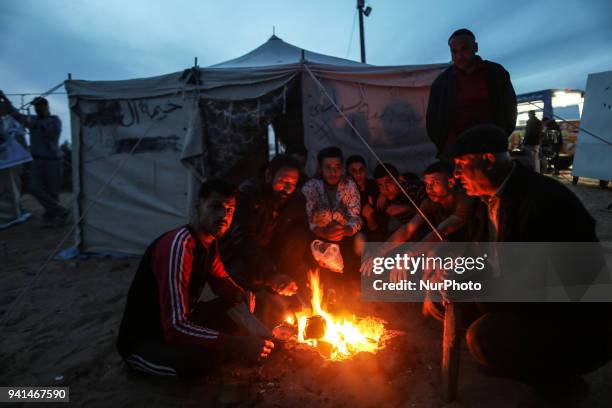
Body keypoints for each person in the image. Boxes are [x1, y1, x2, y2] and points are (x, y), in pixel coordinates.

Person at [445, 124, 612, 385]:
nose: (455, 175)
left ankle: (558, 376)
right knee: (442, 297)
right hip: (521, 300)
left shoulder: (542, 201)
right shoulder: (487, 201)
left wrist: (472, 284)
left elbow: (532, 290)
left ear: (487, 160)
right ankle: (514, 355)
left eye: (460, 164)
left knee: (483, 336)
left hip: (570, 321)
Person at [117, 179, 274, 378]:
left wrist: (240, 294)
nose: (223, 215)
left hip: (187, 318)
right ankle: (142, 362)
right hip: (151, 335)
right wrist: (237, 344)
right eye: (216, 207)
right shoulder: (179, 246)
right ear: (199, 205)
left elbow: (221, 280)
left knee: (247, 305)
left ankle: (231, 346)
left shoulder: (209, 242)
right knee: (201, 362)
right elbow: (175, 326)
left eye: (230, 209)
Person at [220, 155, 307, 323]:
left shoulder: (296, 199)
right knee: (246, 274)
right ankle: (249, 309)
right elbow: (243, 239)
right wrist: (270, 274)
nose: (287, 188)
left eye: (293, 183)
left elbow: (299, 235)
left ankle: (282, 290)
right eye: (283, 181)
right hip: (241, 254)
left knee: (300, 237)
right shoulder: (248, 194)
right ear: (268, 176)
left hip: (271, 254)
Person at [426, 29, 517, 156]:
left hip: (490, 148)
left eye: (464, 49)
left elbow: (509, 109)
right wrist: (444, 146)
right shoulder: (442, 82)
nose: (459, 56)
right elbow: (432, 119)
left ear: (475, 47)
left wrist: (499, 137)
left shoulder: (496, 73)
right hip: (454, 151)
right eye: (454, 51)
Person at [0, 92, 69, 226]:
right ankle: (60, 212)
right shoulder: (32, 120)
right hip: (37, 160)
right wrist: (4, 98)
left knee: (52, 191)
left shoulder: (54, 120)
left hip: (52, 160)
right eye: (36, 106)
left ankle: (54, 217)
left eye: (41, 106)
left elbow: (52, 134)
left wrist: (38, 122)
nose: (38, 108)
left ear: (46, 106)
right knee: (34, 188)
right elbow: (15, 114)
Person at [302, 147, 362, 276]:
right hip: (317, 237)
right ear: (320, 168)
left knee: (356, 249)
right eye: (328, 167)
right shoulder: (310, 187)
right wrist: (320, 231)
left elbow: (355, 218)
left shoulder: (349, 185)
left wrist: (345, 230)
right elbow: (305, 218)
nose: (333, 172)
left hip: (344, 237)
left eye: (337, 167)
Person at [373, 163, 426, 239]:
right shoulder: (383, 200)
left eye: (388, 183)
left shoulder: (415, 189)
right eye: (380, 185)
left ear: (399, 180)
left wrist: (406, 208)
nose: (385, 189)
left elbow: (430, 215)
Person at [346, 155, 379, 236]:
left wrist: (383, 195)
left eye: (361, 170)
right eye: (354, 171)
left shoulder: (375, 186)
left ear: (366, 170)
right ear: (348, 173)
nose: (358, 174)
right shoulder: (345, 192)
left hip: (376, 232)